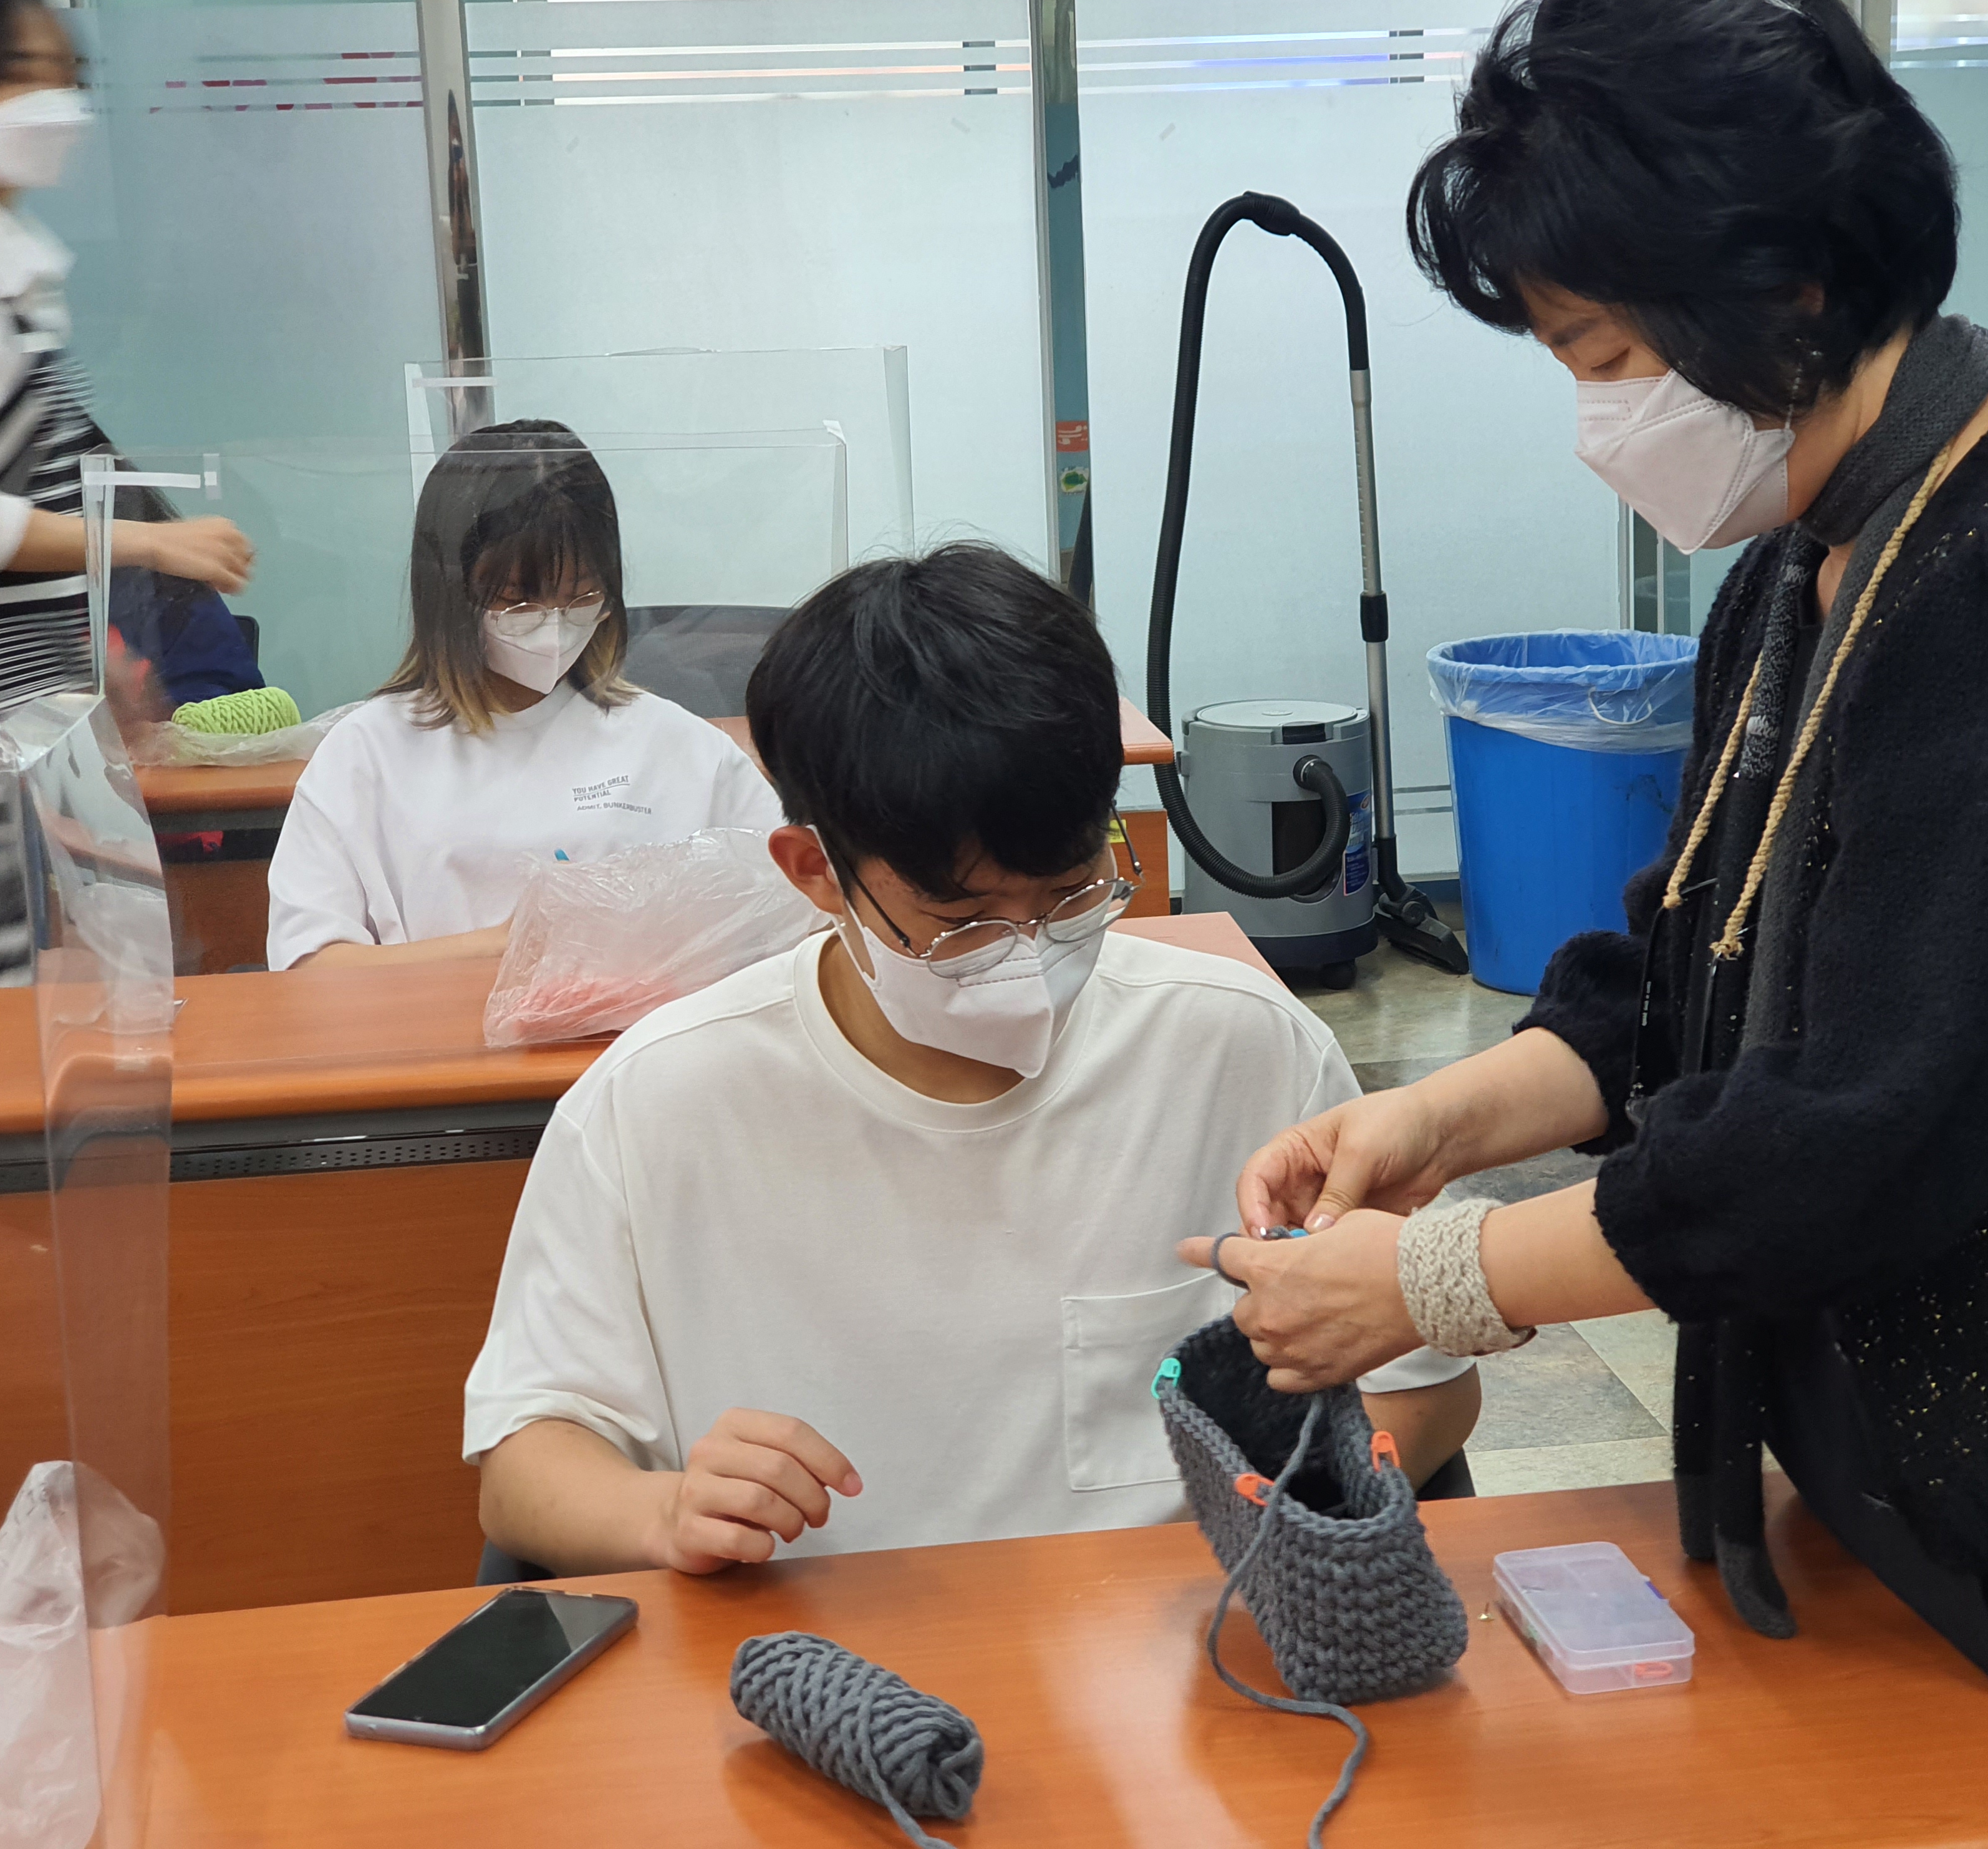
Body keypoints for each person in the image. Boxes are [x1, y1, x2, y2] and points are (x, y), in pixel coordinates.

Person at [1185, 0, 1988, 1845]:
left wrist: (1436, 1282)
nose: (1592, 415)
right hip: (1919, 1452)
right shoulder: (1812, 560)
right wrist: (1437, 1125)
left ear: (1782, 288)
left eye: (1602, 353)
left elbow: (1869, 1124)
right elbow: (1680, 971)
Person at [466, 544, 1477, 1575]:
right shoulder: (657, 1103)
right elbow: (525, 1459)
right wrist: (663, 1511)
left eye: (1071, 894)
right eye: (961, 922)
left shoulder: (1243, 1048)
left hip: (1175, 1641)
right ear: (814, 870)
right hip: (811, 1643)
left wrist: (1280, 1524)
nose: (1029, 957)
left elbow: (1425, 1387)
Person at [265, 418, 779, 970]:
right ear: (451, 596)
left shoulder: (683, 748)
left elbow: (795, 914)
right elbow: (309, 967)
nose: (553, 625)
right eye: (517, 600)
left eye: (581, 595)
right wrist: (511, 946)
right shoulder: (366, 755)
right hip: (435, 1027)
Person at [0, 0, 251, 719]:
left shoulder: (14, 267)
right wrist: (147, 544)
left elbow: (25, 495)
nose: (55, 102)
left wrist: (89, 653)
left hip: (25, 707)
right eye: (22, 72)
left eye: (68, 74)